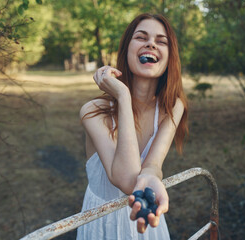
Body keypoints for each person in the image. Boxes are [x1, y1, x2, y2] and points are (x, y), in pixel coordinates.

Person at [76, 13, 188, 240]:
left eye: (161, 41)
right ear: (126, 49)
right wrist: (123, 96)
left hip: (147, 218)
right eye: (141, 37)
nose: (151, 44)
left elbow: (153, 165)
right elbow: (127, 181)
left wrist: (150, 175)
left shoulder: (173, 107)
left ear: (170, 57)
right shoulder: (93, 111)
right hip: (101, 223)